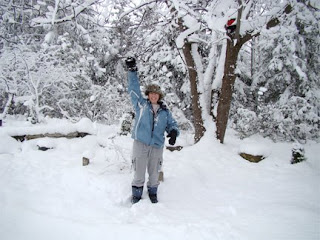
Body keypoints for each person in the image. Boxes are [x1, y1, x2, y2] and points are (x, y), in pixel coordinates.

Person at [125, 57, 179, 204]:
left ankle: (153, 193)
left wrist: (173, 132)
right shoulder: (141, 105)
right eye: (151, 93)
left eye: (156, 94)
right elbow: (133, 90)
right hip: (141, 143)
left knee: (154, 173)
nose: (154, 95)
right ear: (148, 95)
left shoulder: (164, 111)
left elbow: (172, 124)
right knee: (139, 171)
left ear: (159, 96)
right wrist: (132, 71)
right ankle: (136, 195)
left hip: (157, 145)